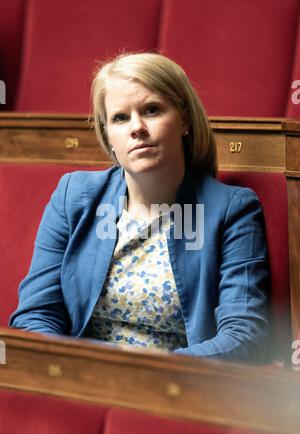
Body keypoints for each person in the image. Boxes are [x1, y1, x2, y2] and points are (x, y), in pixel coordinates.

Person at [9, 52, 269, 362]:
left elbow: (242, 336)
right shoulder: (73, 196)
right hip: (77, 379)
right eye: (120, 117)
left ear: (184, 119)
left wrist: (146, 376)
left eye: (152, 110)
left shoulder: (231, 209)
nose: (137, 128)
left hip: (176, 388)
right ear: (108, 135)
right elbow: (37, 315)